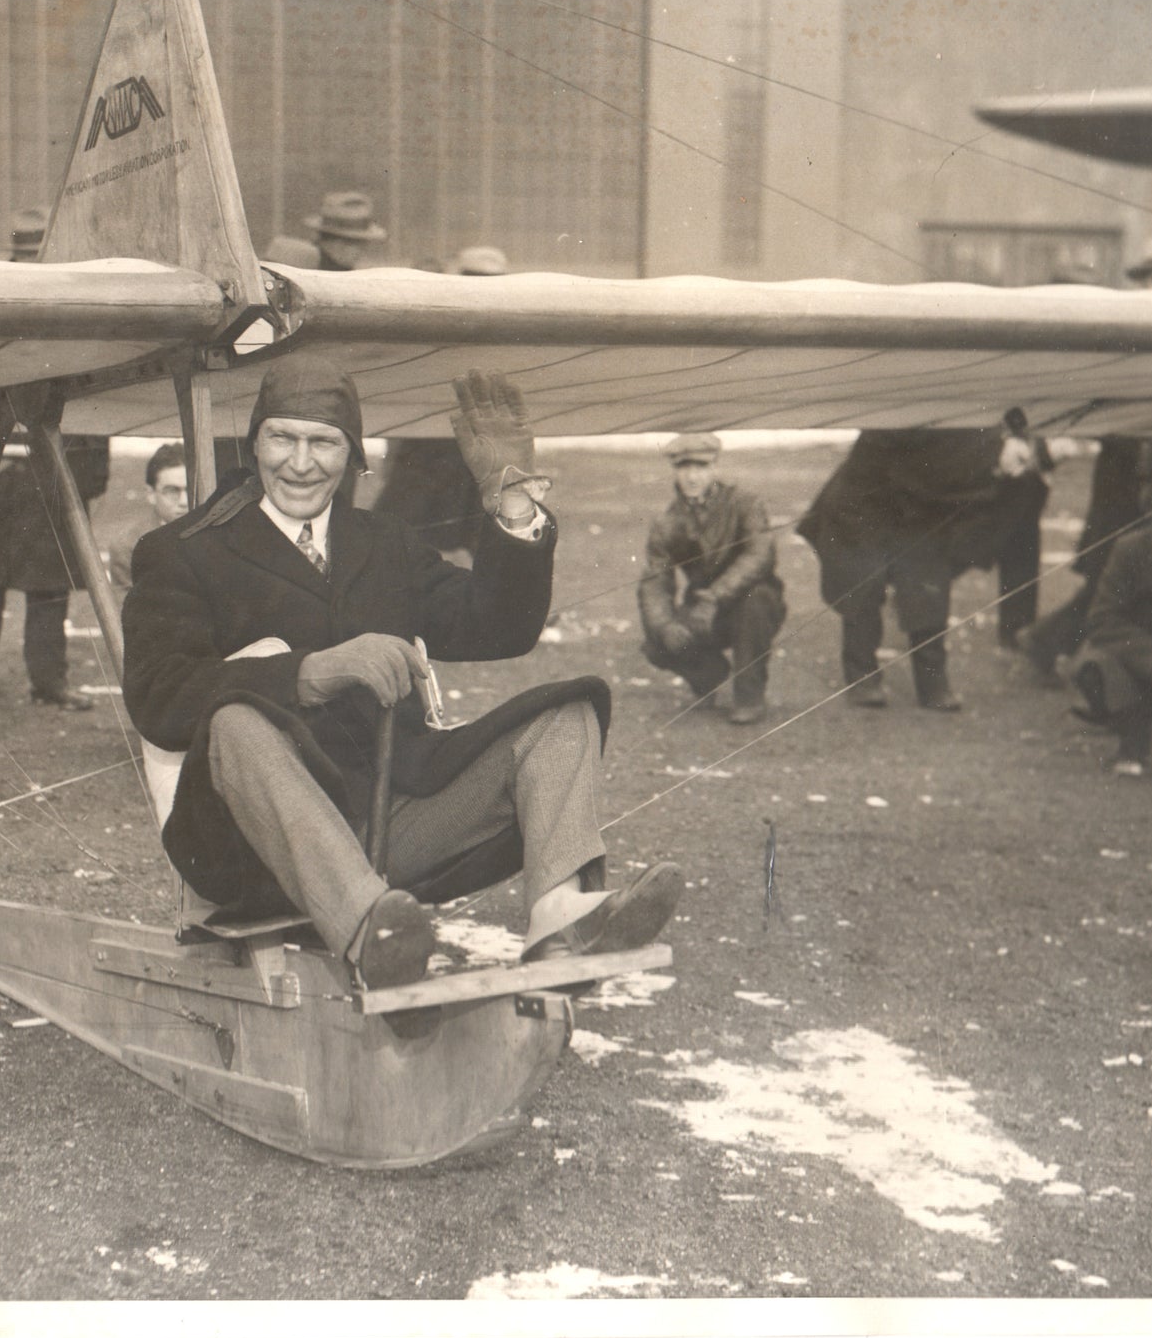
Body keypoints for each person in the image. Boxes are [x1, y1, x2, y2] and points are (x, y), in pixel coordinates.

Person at [122, 358, 682, 992]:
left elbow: (499, 627)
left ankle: (559, 924)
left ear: (352, 453)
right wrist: (309, 671)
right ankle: (373, 936)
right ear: (254, 444)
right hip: (253, 849)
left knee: (566, 713)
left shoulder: (381, 542)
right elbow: (157, 697)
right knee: (235, 719)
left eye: (324, 442)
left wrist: (513, 499)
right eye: (283, 438)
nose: (300, 463)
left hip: (386, 822)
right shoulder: (185, 552)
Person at [0, 207, 109, 713]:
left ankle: (49, 682)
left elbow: (97, 401)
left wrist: (84, 479)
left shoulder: (82, 328)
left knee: (50, 593)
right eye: (24, 259)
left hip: (52, 482)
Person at [1020, 240, 1152, 680]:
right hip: (1123, 477)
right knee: (1114, 575)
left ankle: (1052, 645)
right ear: (1143, 287)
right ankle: (1064, 652)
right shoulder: (1123, 334)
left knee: (1131, 578)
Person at [798, 422, 1049, 711]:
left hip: (921, 506)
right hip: (862, 505)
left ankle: (933, 683)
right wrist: (993, 450)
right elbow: (918, 438)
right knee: (863, 590)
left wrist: (999, 447)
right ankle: (862, 678)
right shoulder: (907, 417)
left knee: (929, 588)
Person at [637, 433, 786, 725]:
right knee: (657, 642)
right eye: (684, 468)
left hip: (750, 602)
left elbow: (759, 557)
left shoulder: (745, 504)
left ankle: (749, 696)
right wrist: (665, 626)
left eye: (701, 467)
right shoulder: (667, 522)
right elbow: (655, 581)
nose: (692, 477)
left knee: (755, 603)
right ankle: (709, 674)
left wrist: (714, 597)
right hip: (703, 612)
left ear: (715, 467)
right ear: (675, 471)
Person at [370, 247, 508, 555]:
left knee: (475, 536)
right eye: (474, 280)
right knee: (398, 530)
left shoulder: (505, 327)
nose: (482, 289)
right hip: (427, 444)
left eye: (491, 282)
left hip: (473, 448)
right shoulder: (445, 317)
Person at [1069, 463, 1152, 776]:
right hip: (1145, 662)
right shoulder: (1131, 549)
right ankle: (1133, 740)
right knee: (1093, 665)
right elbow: (1103, 618)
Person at [108, 442, 190, 589]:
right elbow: (128, 609)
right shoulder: (129, 547)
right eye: (172, 491)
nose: (184, 501)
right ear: (151, 494)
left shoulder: (222, 536)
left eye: (189, 490)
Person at [302, 190, 387, 272]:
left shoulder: (343, 272)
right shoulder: (307, 269)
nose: (361, 250)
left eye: (364, 242)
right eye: (355, 242)